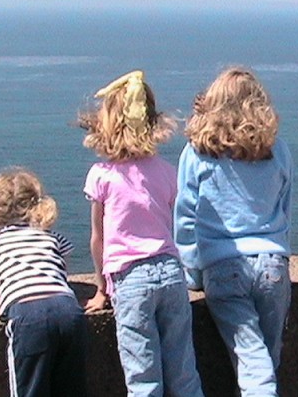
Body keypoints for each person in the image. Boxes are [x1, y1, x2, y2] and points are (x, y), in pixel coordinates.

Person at [79, 70, 204, 397]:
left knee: (144, 379)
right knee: (184, 371)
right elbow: (174, 223)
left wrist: (101, 290)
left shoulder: (103, 175)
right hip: (171, 273)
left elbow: (99, 239)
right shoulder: (166, 172)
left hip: (130, 280)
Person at [175, 67, 293, 397]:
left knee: (254, 365)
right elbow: (285, 207)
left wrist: (192, 270)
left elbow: (185, 217)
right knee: (266, 361)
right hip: (272, 263)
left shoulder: (197, 152)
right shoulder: (277, 149)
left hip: (223, 266)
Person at [0, 168, 87, 397]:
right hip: (69, 311)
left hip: (28, 316)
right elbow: (61, 272)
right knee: (71, 388)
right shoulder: (52, 237)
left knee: (29, 389)